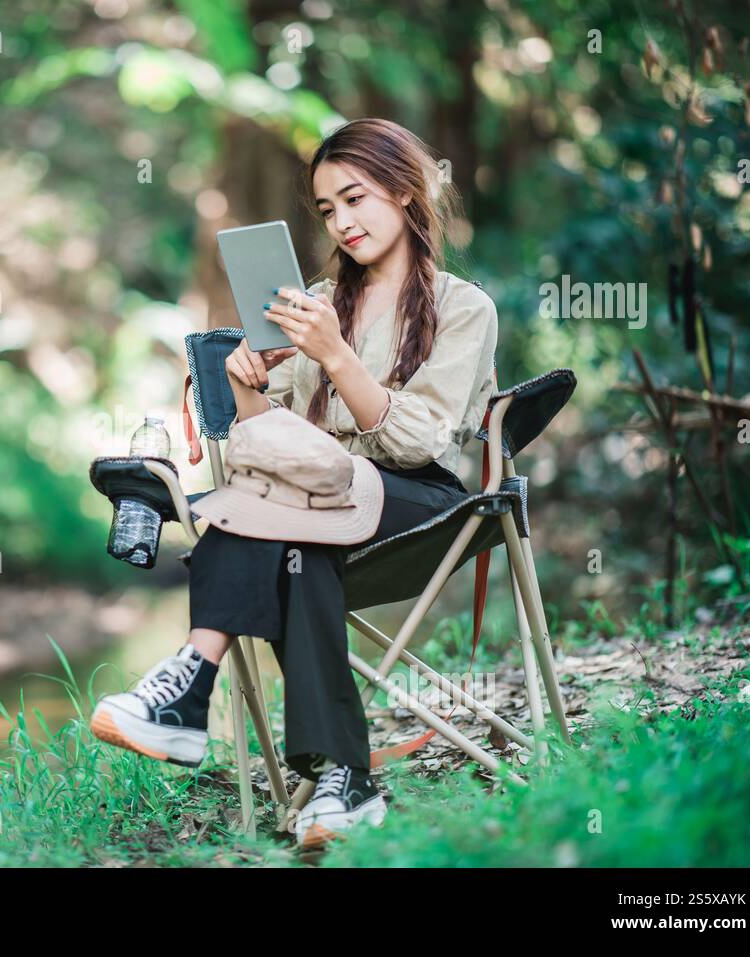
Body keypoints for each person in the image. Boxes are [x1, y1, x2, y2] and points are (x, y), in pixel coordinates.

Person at [91, 117, 498, 848]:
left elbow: (417, 440)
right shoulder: (314, 299)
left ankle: (190, 679)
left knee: (274, 514)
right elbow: (269, 439)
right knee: (298, 544)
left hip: (420, 504)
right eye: (326, 210)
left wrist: (338, 356)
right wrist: (249, 385)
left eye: (355, 199)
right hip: (311, 505)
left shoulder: (464, 307)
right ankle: (344, 780)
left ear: (405, 192)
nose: (341, 222)